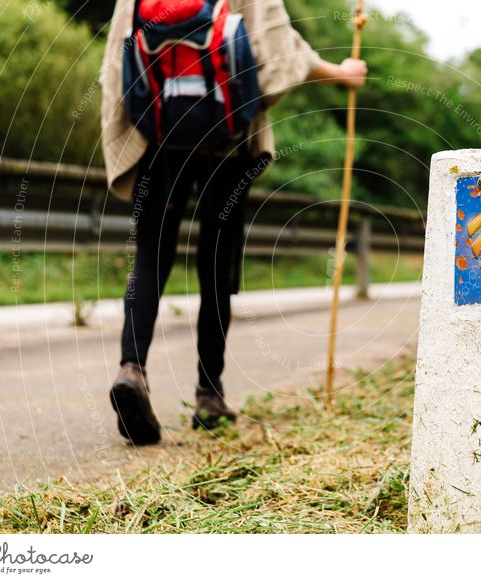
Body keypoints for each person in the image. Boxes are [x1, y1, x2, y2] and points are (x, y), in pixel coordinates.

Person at [101, 0, 367, 445]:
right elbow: (280, 53)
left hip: (160, 141)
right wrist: (341, 72)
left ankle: (133, 370)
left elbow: (116, 66)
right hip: (226, 142)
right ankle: (209, 395)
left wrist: (137, 127)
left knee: (150, 257)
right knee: (217, 267)